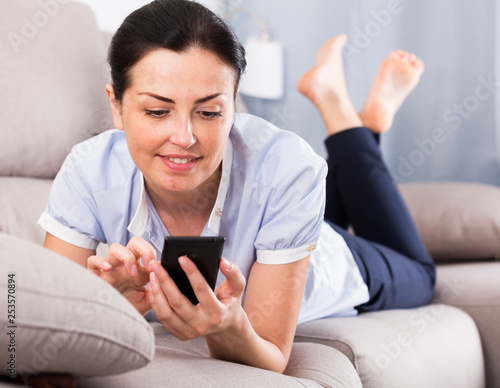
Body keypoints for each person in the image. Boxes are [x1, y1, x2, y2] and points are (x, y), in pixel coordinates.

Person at [39, 0, 435, 373]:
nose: (184, 137)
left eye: (209, 112)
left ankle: (341, 110)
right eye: (157, 111)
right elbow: (45, 326)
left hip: (329, 258)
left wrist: (228, 326)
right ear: (116, 106)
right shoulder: (87, 170)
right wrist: (107, 307)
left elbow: (272, 356)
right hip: (279, 220)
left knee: (420, 273)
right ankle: (369, 123)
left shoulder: (287, 167)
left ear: (233, 106)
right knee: (293, 201)